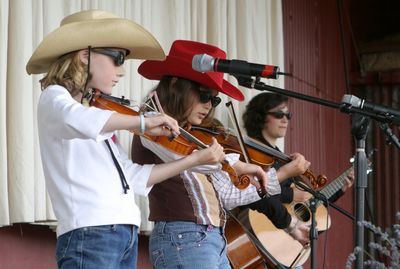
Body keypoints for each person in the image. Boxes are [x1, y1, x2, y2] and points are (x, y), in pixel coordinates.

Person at [26, 10, 228, 269]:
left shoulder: (97, 112)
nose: (121, 72)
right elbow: (77, 120)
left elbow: (132, 176)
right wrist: (143, 122)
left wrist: (193, 160)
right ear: (85, 55)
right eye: (117, 58)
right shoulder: (55, 98)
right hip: (90, 231)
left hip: (124, 231)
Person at [131, 40, 310, 268]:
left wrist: (276, 177)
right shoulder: (152, 125)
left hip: (213, 238)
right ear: (175, 84)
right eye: (204, 95)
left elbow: (228, 195)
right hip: (182, 238)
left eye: (214, 99)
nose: (209, 106)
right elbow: (195, 161)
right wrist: (240, 165)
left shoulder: (194, 135)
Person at [240, 92, 354, 267]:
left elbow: (307, 204)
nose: (285, 120)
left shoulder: (281, 157)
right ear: (260, 117)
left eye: (288, 115)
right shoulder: (251, 153)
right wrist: (291, 194)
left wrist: (340, 189)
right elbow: (249, 190)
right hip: (258, 228)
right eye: (279, 114)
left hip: (283, 237)